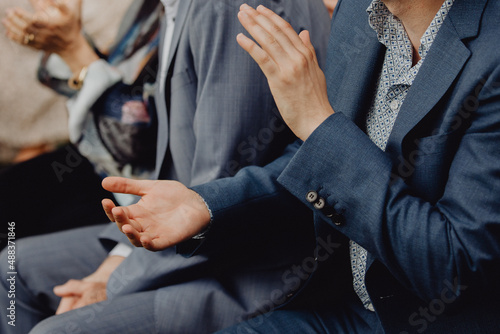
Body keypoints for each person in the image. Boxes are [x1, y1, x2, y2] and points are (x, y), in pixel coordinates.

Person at [100, 0, 500, 333]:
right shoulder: (359, 11)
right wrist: (205, 206)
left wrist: (318, 124)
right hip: (343, 305)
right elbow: (315, 159)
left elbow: (458, 265)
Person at [0, 0, 331, 333]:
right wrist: (113, 265)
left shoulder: (220, 8)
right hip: (168, 218)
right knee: (12, 265)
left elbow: (212, 196)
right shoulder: (172, 7)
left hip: (246, 269)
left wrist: (110, 281)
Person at [0, 0, 162, 241]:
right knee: (12, 194)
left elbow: (134, 144)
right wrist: (66, 41)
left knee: (16, 250)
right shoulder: (150, 9)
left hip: (141, 184)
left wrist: (72, 47)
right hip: (96, 154)